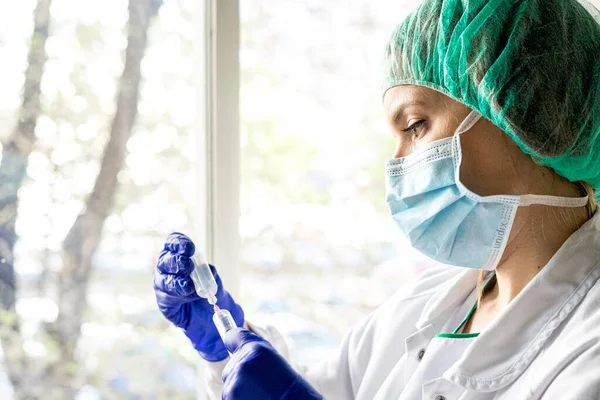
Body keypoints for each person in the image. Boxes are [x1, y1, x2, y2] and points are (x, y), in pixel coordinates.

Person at [153, 0, 600, 398]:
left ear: (524, 114)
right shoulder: (431, 302)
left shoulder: (588, 351)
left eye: (414, 126)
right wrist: (232, 347)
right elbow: (325, 388)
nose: (397, 162)